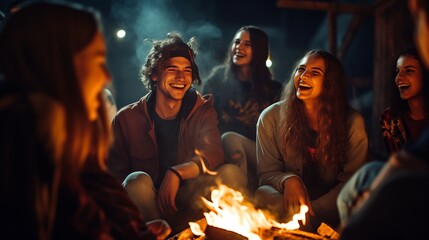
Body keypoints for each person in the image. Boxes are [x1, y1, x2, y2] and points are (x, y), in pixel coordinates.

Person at [0, 1, 170, 239]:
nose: (106, 77)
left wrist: (131, 231)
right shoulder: (22, 141)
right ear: (59, 63)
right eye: (98, 60)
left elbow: (100, 199)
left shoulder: (70, 142)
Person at [107, 32, 246, 234]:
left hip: (189, 200)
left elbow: (214, 154)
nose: (181, 77)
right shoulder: (126, 119)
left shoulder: (201, 109)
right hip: (147, 208)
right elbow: (114, 177)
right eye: (172, 69)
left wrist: (177, 172)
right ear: (154, 74)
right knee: (137, 180)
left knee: (231, 173)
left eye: (187, 70)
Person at [338, 0, 429, 238]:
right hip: (404, 185)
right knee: (367, 179)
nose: (400, 78)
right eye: (397, 72)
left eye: (409, 71)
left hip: (416, 188)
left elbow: (406, 166)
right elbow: (398, 161)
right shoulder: (391, 118)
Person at [254, 49, 368, 230]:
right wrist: (289, 180)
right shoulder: (271, 117)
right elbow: (266, 173)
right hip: (288, 198)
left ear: (330, 83)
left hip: (331, 200)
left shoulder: (352, 123)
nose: (304, 76)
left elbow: (350, 182)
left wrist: (314, 210)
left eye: (315, 73)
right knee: (262, 194)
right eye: (301, 70)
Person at [202, 26, 282, 193]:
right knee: (229, 139)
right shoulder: (217, 81)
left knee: (231, 138)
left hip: (260, 156)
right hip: (222, 152)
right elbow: (203, 121)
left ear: (259, 50)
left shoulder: (273, 90)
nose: (239, 47)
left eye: (247, 44)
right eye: (237, 42)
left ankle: (242, 197)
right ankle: (241, 197)